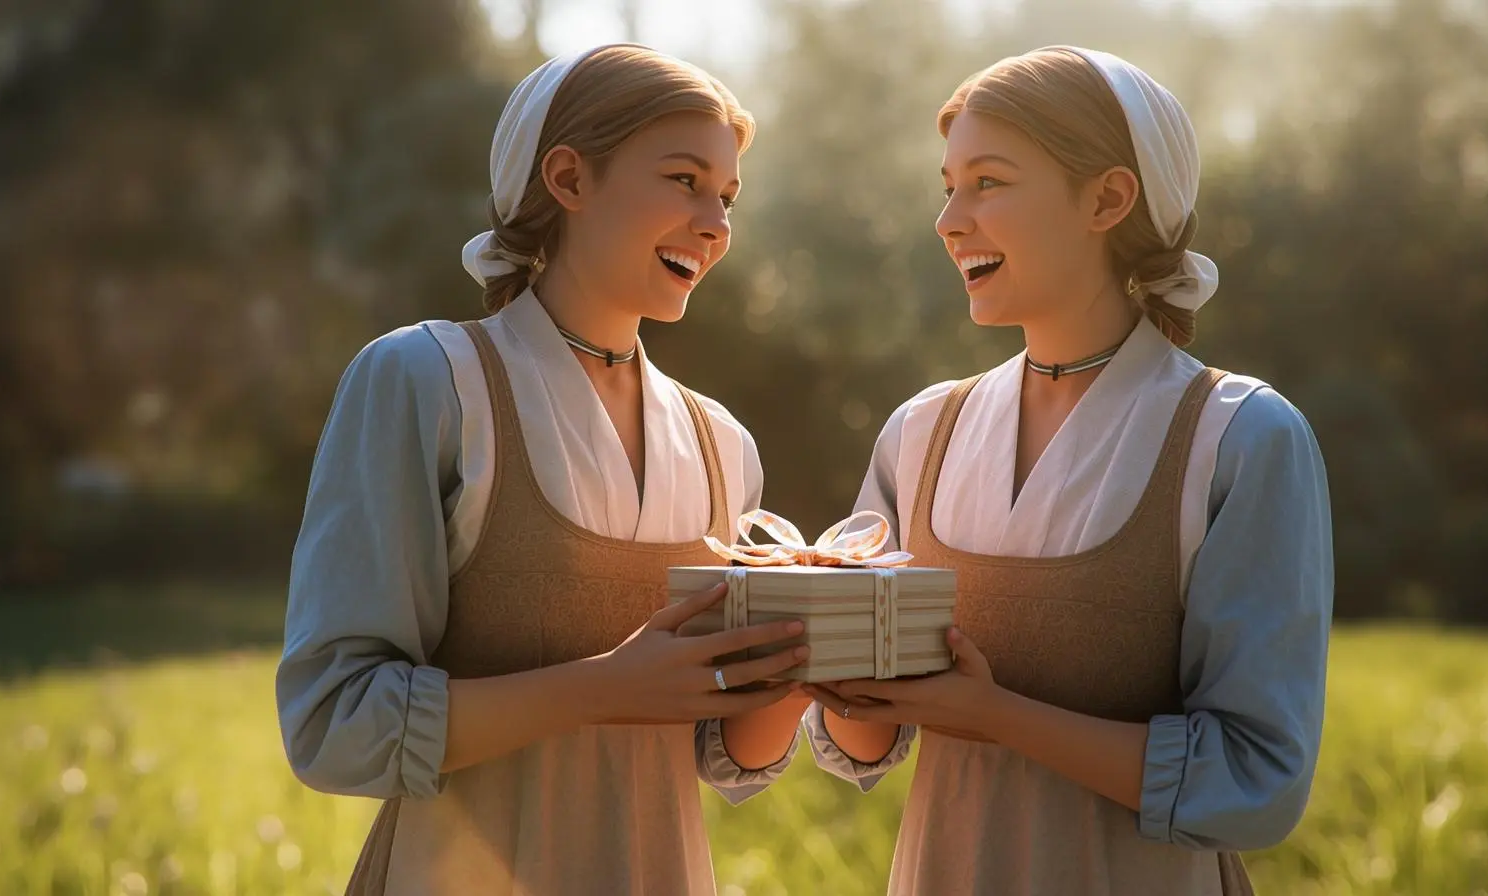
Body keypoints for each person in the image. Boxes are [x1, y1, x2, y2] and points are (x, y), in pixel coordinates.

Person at [276, 44, 809, 895]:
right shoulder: (428, 381)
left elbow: (721, 751)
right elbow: (333, 724)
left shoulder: (721, 444)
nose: (715, 223)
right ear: (567, 177)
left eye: (728, 196)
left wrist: (809, 668)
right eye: (682, 179)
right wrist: (600, 688)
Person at [803, 46, 1334, 895]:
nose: (948, 219)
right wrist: (836, 677)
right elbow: (862, 745)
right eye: (947, 185)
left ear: (1108, 198)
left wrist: (995, 716)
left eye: (988, 182)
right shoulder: (920, 433)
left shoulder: (1239, 438)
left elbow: (1256, 779)